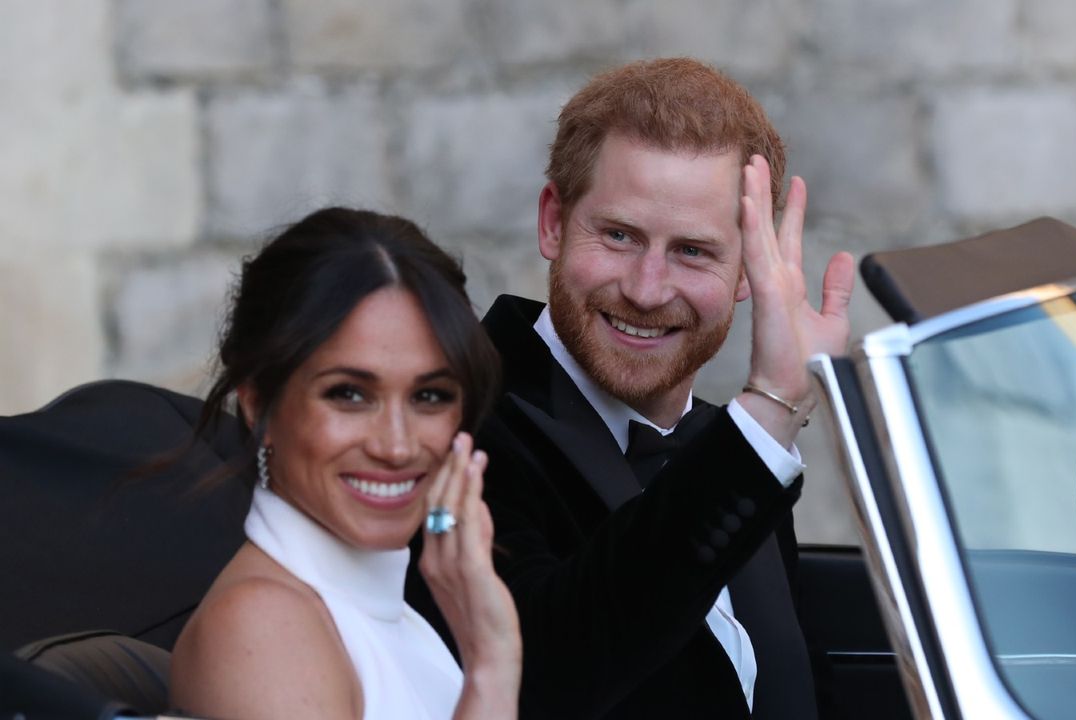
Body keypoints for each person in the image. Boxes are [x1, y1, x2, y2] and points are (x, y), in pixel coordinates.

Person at [412, 58, 855, 718]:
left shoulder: (729, 446)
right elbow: (543, 672)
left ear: (745, 273)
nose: (647, 289)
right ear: (554, 223)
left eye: (693, 251)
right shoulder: (455, 420)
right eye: (618, 236)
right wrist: (769, 409)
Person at [169, 208, 521, 719]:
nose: (396, 446)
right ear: (257, 404)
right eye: (349, 394)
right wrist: (492, 671)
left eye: (429, 395)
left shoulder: (391, 615)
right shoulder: (263, 626)